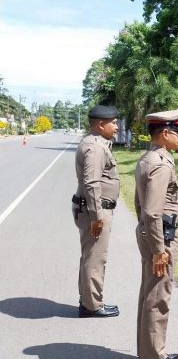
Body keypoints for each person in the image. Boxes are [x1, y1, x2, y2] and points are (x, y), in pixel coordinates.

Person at [134, 108, 178, 359]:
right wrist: (159, 250)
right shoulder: (160, 163)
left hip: (152, 232)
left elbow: (140, 206)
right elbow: (153, 210)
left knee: (150, 292)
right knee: (158, 296)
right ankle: (153, 356)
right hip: (160, 237)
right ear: (165, 133)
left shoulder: (148, 158)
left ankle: (149, 350)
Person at [72, 101, 121, 318]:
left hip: (93, 208)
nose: (117, 127)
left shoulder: (96, 143)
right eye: (114, 123)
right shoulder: (95, 147)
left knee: (90, 256)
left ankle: (89, 300)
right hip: (95, 209)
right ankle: (92, 306)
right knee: (95, 258)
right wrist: (97, 216)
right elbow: (92, 183)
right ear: (101, 125)